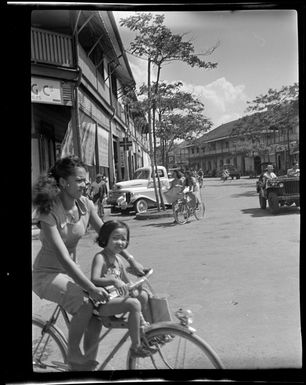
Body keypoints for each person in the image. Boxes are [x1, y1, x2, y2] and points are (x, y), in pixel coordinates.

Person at [32, 155, 145, 371]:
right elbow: (64, 258)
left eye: (86, 180)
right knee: (86, 303)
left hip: (69, 274)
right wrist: (91, 287)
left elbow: (111, 237)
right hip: (47, 275)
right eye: (80, 180)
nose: (86, 184)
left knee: (94, 317)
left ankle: (86, 368)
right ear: (64, 183)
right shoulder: (50, 212)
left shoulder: (85, 205)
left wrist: (132, 261)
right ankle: (74, 354)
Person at [91, 220, 155, 357]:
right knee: (134, 303)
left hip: (117, 300)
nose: (120, 242)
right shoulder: (100, 258)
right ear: (105, 238)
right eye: (115, 238)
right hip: (103, 304)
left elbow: (128, 284)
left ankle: (148, 330)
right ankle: (136, 347)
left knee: (143, 295)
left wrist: (137, 287)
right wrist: (113, 280)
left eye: (123, 239)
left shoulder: (119, 260)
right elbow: (94, 280)